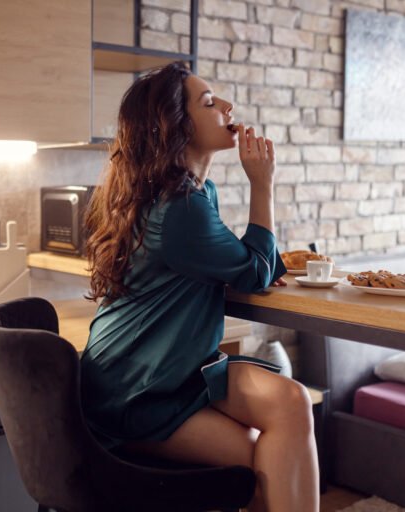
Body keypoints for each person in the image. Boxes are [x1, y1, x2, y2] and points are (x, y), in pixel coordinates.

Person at [80, 62, 319, 512]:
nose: (227, 107)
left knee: (291, 400)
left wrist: (257, 263)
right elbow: (251, 271)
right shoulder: (180, 207)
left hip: (175, 369)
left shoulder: (190, 194)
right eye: (209, 103)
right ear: (174, 125)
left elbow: (244, 263)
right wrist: (262, 184)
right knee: (266, 461)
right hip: (138, 389)